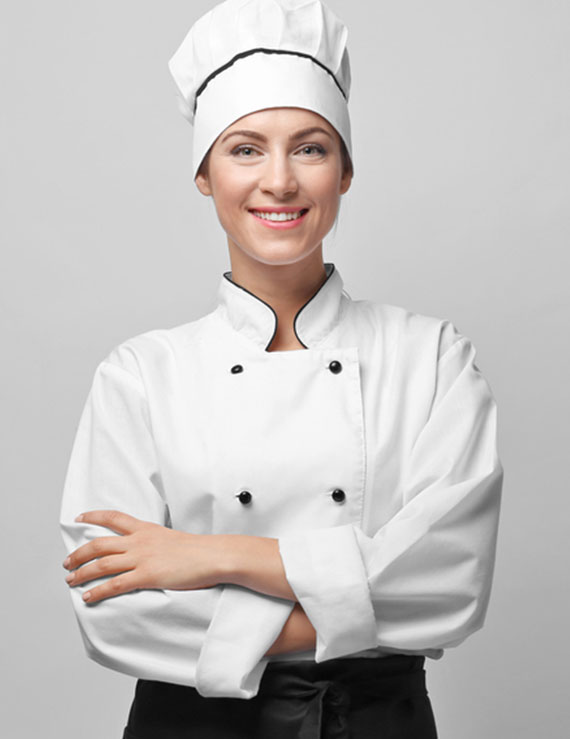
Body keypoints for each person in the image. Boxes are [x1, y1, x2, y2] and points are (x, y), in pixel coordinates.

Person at [59, 1, 504, 737]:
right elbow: (114, 616)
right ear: (204, 174)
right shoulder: (140, 375)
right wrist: (361, 601)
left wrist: (208, 557)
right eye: (244, 149)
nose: (279, 181)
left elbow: (450, 587)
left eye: (310, 148)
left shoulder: (431, 357)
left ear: (345, 171)